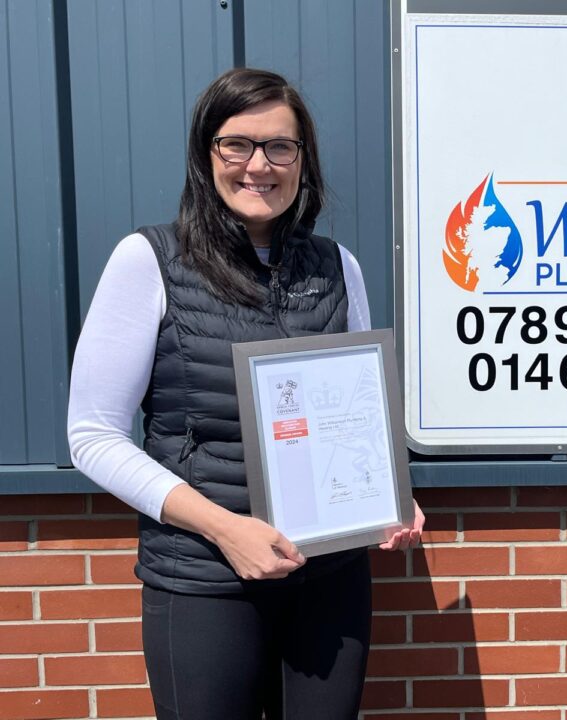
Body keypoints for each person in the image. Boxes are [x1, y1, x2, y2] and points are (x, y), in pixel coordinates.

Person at [67, 67, 424, 720]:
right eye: (238, 144)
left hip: (329, 582)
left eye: (280, 147)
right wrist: (227, 530)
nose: (259, 165)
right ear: (207, 156)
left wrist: (387, 494)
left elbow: (358, 413)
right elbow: (92, 435)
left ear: (302, 161)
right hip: (206, 580)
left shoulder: (339, 267)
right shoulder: (148, 261)